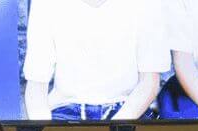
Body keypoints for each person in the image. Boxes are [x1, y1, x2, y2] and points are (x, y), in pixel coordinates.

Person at [23, 0, 170, 121]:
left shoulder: (149, 4)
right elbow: (36, 85)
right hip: (65, 112)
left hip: (129, 111)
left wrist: (115, 129)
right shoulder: (46, 4)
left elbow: (149, 82)